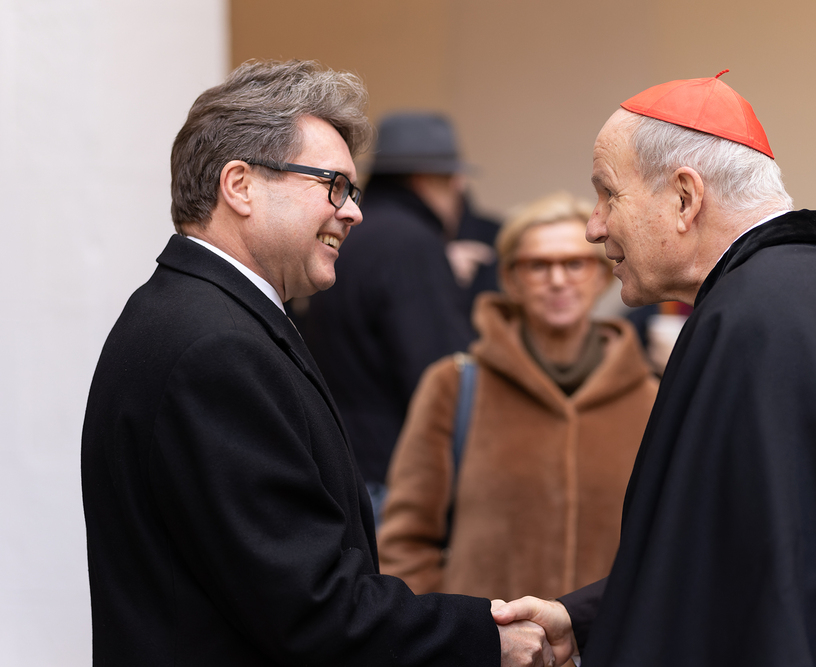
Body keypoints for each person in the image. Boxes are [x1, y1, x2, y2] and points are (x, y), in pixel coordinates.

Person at [493, 73, 816, 666]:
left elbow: (758, 596)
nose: (595, 225)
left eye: (609, 194)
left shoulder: (745, 324)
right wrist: (585, 621)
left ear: (685, 198)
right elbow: (743, 550)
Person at [81, 60, 552, 667]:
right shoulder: (215, 346)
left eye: (351, 191)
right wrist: (486, 636)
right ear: (240, 185)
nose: (353, 211)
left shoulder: (197, 312)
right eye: (333, 185)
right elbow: (311, 608)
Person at [378, 192, 658, 602]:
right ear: (510, 279)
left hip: (604, 637)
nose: (558, 280)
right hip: (485, 637)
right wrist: (448, 628)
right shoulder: (454, 385)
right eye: (538, 266)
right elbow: (405, 540)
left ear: (602, 276)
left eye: (575, 264)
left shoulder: (649, 398)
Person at [299, 112, 498, 518]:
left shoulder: (348, 235)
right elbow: (441, 373)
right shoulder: (411, 244)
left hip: (343, 466)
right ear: (429, 179)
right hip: (390, 480)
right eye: (454, 182)